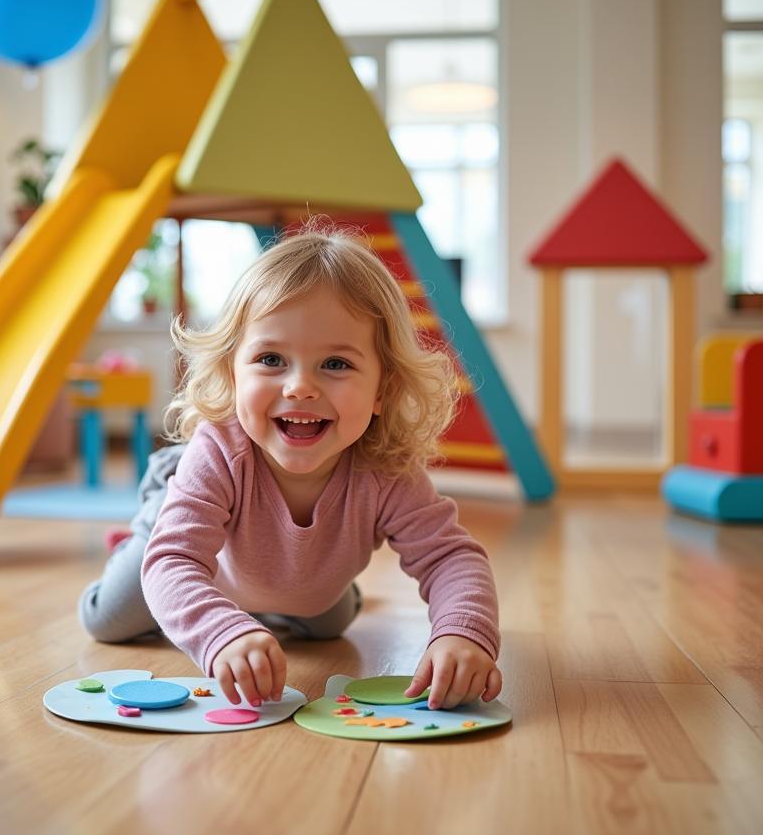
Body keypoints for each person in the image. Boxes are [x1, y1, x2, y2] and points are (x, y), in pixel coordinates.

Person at [78, 226, 502, 711]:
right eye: (271, 359)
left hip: (305, 581)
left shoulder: (387, 469)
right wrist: (223, 632)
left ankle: (292, 588)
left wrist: (463, 635)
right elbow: (173, 562)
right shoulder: (220, 449)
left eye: (336, 365)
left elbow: (452, 559)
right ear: (232, 373)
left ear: (382, 388)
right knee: (109, 620)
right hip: (186, 552)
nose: (300, 387)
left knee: (326, 622)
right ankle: (150, 519)